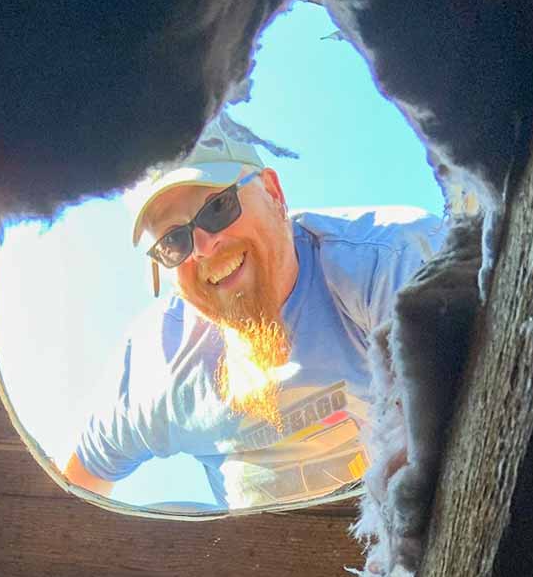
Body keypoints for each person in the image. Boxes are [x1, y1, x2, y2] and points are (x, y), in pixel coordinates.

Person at [63, 115, 447, 510]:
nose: (203, 247)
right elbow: (74, 494)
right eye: (173, 242)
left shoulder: (389, 263)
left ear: (274, 193)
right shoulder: (157, 365)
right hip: (254, 546)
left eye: (217, 208)